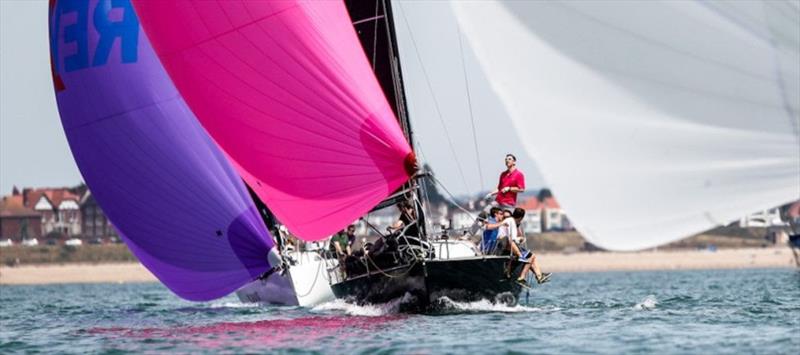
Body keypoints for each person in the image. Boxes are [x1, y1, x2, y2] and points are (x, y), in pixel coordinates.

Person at [484, 208, 550, 285]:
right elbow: (512, 239)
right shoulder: (511, 221)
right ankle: (524, 277)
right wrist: (521, 241)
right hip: (505, 246)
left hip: (505, 245)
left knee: (531, 256)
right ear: (521, 217)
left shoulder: (509, 220)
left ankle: (539, 276)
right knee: (530, 257)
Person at [470, 154, 526, 235]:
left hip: (508, 204)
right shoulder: (503, 174)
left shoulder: (519, 174)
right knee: (482, 215)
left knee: (509, 223)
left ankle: (517, 240)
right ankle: (469, 234)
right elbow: (499, 188)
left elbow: (521, 189)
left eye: (509, 159)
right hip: (498, 202)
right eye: (506, 159)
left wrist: (509, 188)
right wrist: (491, 193)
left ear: (514, 162)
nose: (507, 160)